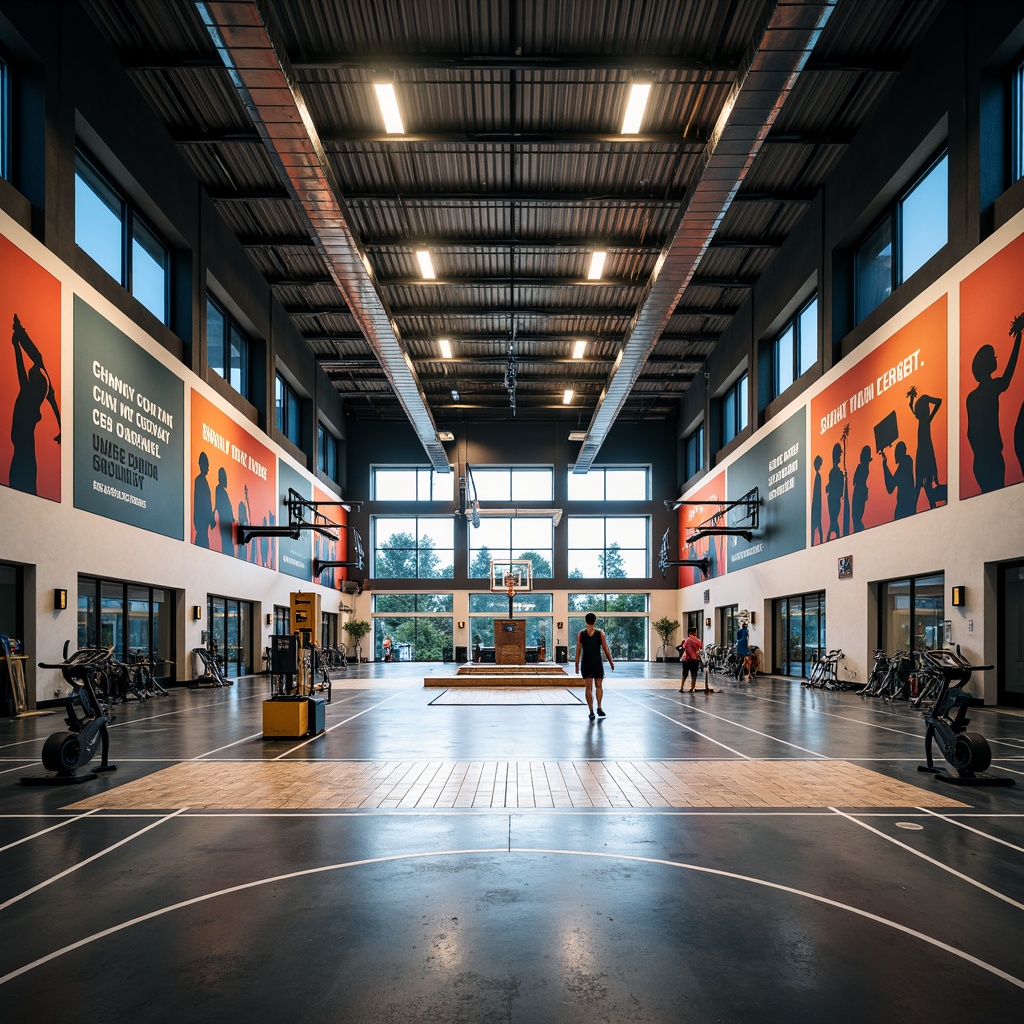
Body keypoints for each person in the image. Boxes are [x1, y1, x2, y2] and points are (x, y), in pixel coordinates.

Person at [575, 612, 614, 720]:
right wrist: (611, 662)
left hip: (586, 662)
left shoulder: (581, 634)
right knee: (599, 686)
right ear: (595, 621)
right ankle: (599, 707)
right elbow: (605, 648)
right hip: (597, 662)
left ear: (585, 621)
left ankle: (591, 711)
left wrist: (576, 664)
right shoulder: (600, 633)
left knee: (588, 688)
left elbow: (578, 649)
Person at [679, 627, 704, 693]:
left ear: (689, 633)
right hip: (694, 659)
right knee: (694, 674)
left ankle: (681, 687)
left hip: (686, 659)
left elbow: (683, 647)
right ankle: (692, 688)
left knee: (684, 674)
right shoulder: (698, 641)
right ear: (694, 632)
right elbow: (700, 647)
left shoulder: (686, 640)